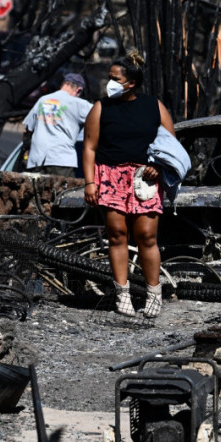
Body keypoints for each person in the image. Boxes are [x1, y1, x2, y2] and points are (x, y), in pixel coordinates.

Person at [82, 50, 176, 318]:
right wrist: (90, 182)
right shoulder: (101, 107)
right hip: (110, 176)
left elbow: (170, 144)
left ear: (131, 82)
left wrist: (158, 166)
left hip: (144, 177)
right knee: (117, 234)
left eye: (114, 78)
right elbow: (89, 147)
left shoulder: (154, 106)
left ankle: (153, 294)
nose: (108, 83)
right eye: (109, 77)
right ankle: (122, 294)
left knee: (147, 235)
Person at [22, 73, 92, 177]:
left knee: (37, 193)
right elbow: (102, 116)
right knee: (61, 193)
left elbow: (27, 129)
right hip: (61, 161)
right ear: (79, 90)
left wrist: (27, 152)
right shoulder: (79, 104)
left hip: (36, 161)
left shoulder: (42, 100)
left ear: (63, 85)